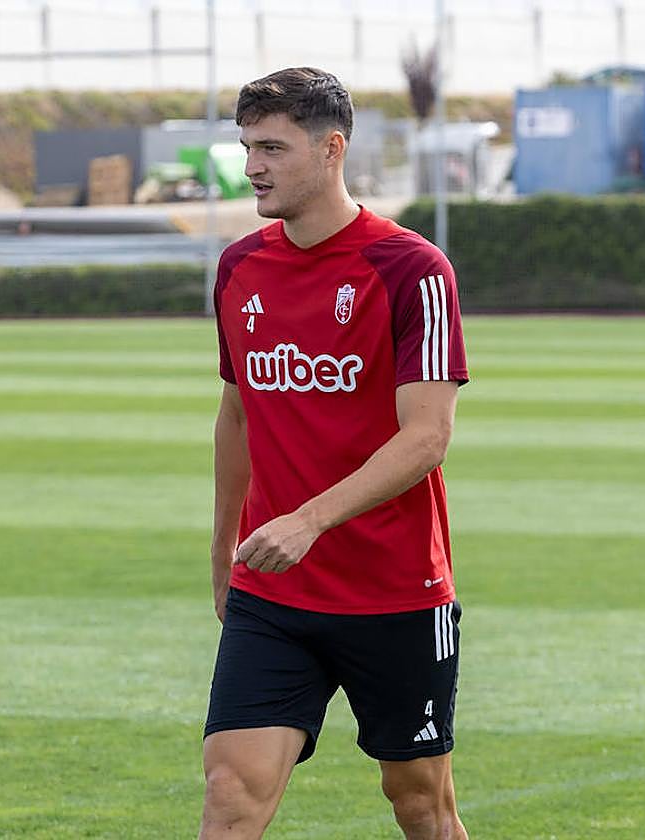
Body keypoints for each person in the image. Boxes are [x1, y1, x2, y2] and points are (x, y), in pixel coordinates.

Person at [200, 68, 469, 840]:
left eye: (273, 147)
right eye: (248, 146)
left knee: (419, 804)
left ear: (331, 150)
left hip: (397, 592)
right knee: (229, 793)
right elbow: (239, 417)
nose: (254, 165)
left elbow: (426, 436)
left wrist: (308, 521)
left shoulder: (411, 269)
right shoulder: (240, 267)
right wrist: (224, 550)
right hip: (273, 594)